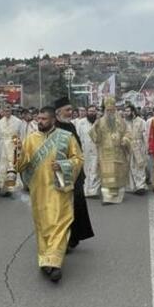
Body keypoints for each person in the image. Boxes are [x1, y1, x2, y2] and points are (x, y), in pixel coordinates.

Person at [15, 105, 84, 282]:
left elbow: (78, 159)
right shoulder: (30, 139)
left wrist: (63, 165)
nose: (40, 122)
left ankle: (54, 264)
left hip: (60, 189)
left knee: (60, 224)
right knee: (44, 226)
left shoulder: (66, 137)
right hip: (39, 191)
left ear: (53, 120)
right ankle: (45, 260)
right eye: (38, 119)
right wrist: (18, 152)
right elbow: (21, 166)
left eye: (43, 119)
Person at [54, 97, 95, 249]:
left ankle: (73, 236)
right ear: (58, 112)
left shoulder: (70, 126)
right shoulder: (53, 127)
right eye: (68, 110)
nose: (71, 113)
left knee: (76, 205)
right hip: (58, 172)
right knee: (61, 208)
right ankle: (61, 239)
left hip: (74, 171)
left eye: (72, 110)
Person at [91, 97, 131, 204]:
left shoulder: (120, 121)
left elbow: (127, 132)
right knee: (106, 176)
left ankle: (117, 198)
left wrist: (125, 139)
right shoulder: (100, 121)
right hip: (105, 154)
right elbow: (94, 136)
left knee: (118, 174)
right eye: (108, 110)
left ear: (115, 110)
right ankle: (107, 198)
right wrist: (95, 127)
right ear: (105, 110)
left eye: (111, 110)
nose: (110, 112)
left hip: (118, 153)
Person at [0, 104, 26, 197]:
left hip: (14, 145)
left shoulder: (18, 122)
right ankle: (4, 188)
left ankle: (12, 189)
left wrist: (21, 146)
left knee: (12, 167)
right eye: (5, 110)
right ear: (2, 112)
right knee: (3, 167)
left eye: (8, 110)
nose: (7, 112)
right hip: (3, 147)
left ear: (11, 111)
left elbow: (22, 135)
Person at [75, 105, 101, 198]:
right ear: (87, 112)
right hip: (84, 149)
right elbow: (76, 136)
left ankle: (94, 191)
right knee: (86, 171)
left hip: (97, 150)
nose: (92, 113)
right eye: (90, 111)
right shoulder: (81, 123)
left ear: (96, 112)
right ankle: (86, 191)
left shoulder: (100, 122)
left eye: (93, 111)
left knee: (95, 170)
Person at [124, 104, 149, 194]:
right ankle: (133, 186)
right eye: (125, 111)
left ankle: (141, 186)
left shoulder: (141, 121)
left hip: (139, 146)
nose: (126, 113)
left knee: (140, 166)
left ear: (133, 112)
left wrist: (146, 147)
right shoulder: (124, 122)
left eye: (128, 111)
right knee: (130, 167)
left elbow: (145, 135)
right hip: (128, 147)